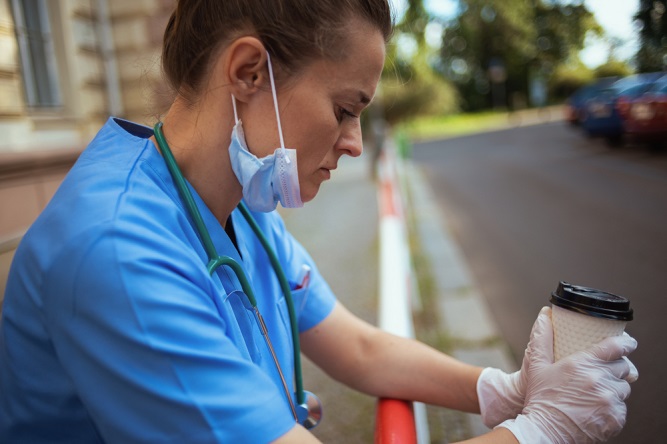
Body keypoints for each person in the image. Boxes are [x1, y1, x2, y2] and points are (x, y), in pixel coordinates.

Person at [0, 1, 638, 443]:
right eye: (344, 109)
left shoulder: (235, 201)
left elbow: (356, 346)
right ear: (249, 73)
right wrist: (541, 430)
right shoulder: (115, 253)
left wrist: (501, 389)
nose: (356, 143)